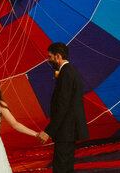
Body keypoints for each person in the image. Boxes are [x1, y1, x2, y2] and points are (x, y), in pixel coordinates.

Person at [36, 42, 88, 172]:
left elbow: (62, 106)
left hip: (65, 130)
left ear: (58, 56)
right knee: (66, 166)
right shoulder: (68, 72)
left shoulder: (66, 74)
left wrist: (48, 131)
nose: (48, 60)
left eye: (50, 57)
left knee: (61, 167)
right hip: (68, 130)